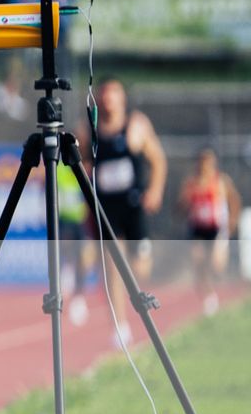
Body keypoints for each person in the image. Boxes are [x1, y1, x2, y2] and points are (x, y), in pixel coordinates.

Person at [80, 77, 166, 283]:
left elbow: (158, 160)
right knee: (113, 265)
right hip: (106, 205)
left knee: (140, 268)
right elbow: (81, 162)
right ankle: (120, 316)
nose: (108, 97)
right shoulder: (88, 130)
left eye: (113, 92)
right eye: (104, 92)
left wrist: (155, 190)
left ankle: (141, 306)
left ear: (123, 97)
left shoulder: (136, 125)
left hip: (133, 204)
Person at [179, 148, 240, 314]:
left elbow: (234, 200)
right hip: (198, 228)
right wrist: (186, 202)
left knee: (216, 264)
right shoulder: (192, 183)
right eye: (202, 162)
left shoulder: (221, 181)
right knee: (198, 260)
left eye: (208, 162)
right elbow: (181, 207)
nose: (205, 166)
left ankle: (223, 290)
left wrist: (233, 220)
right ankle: (208, 296)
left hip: (216, 227)